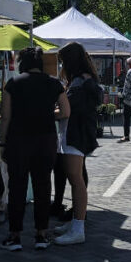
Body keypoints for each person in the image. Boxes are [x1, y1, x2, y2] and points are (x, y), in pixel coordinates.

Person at [0, 47, 68, 251]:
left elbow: (5, 117)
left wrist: (3, 142)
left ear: (22, 63)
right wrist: (47, 114)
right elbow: (65, 111)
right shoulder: (54, 83)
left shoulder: (13, 83)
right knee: (43, 187)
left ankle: (15, 236)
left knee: (17, 187)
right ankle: (41, 235)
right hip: (45, 140)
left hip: (18, 140)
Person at [54, 41, 102, 246]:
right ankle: (75, 222)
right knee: (77, 179)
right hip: (79, 134)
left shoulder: (79, 83)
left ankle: (78, 227)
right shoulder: (85, 79)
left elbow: (68, 111)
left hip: (75, 134)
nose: (61, 66)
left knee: (76, 179)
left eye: (62, 61)